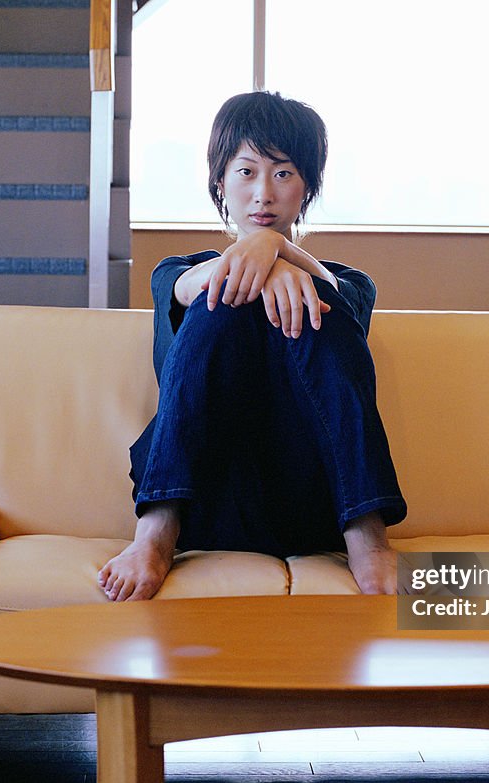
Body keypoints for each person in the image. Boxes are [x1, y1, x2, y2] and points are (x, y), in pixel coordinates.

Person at [98, 91, 406, 602]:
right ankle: (154, 532)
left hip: (318, 500)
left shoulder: (351, 284)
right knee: (220, 301)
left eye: (284, 173)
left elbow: (341, 304)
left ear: (307, 187)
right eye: (246, 172)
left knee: (319, 304)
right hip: (208, 497)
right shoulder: (177, 273)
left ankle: (369, 538)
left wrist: (278, 248)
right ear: (220, 181)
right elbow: (188, 287)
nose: (264, 193)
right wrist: (257, 258)